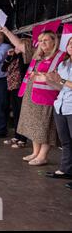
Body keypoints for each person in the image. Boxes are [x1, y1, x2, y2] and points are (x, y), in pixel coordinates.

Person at [14, 31, 64, 166]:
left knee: (45, 127)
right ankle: (36, 152)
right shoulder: (39, 56)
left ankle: (43, 156)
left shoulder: (61, 56)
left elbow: (59, 78)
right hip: (32, 95)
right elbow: (20, 46)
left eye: (46, 40)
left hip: (47, 97)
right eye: (41, 41)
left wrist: (44, 75)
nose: (42, 43)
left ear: (54, 41)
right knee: (34, 126)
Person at [41, 36, 72, 183]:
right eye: (70, 43)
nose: (71, 45)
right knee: (66, 141)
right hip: (60, 106)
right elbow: (61, 87)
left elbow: (65, 82)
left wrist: (61, 80)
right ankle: (66, 170)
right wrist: (49, 80)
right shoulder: (63, 64)